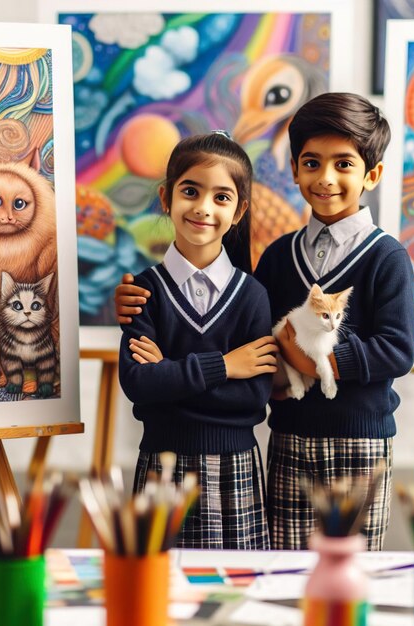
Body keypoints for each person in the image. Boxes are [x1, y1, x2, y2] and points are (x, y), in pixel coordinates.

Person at [116, 93, 414, 551]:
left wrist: (307, 356)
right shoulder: (278, 257)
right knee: (282, 576)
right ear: (295, 169)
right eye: (312, 162)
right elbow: (249, 351)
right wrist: (232, 366)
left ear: (372, 175)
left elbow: (396, 350)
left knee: (348, 567)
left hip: (360, 441)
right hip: (288, 439)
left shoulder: (386, 256)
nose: (326, 178)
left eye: (344, 165)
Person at [118, 131, 278, 550]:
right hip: (163, 467)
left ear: (239, 210)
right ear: (167, 197)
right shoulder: (143, 292)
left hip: (236, 467)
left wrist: (170, 375)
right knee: (159, 594)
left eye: (222, 197)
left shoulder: (252, 295)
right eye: (191, 191)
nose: (204, 208)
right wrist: (224, 366)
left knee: (237, 596)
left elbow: (253, 397)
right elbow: (139, 385)